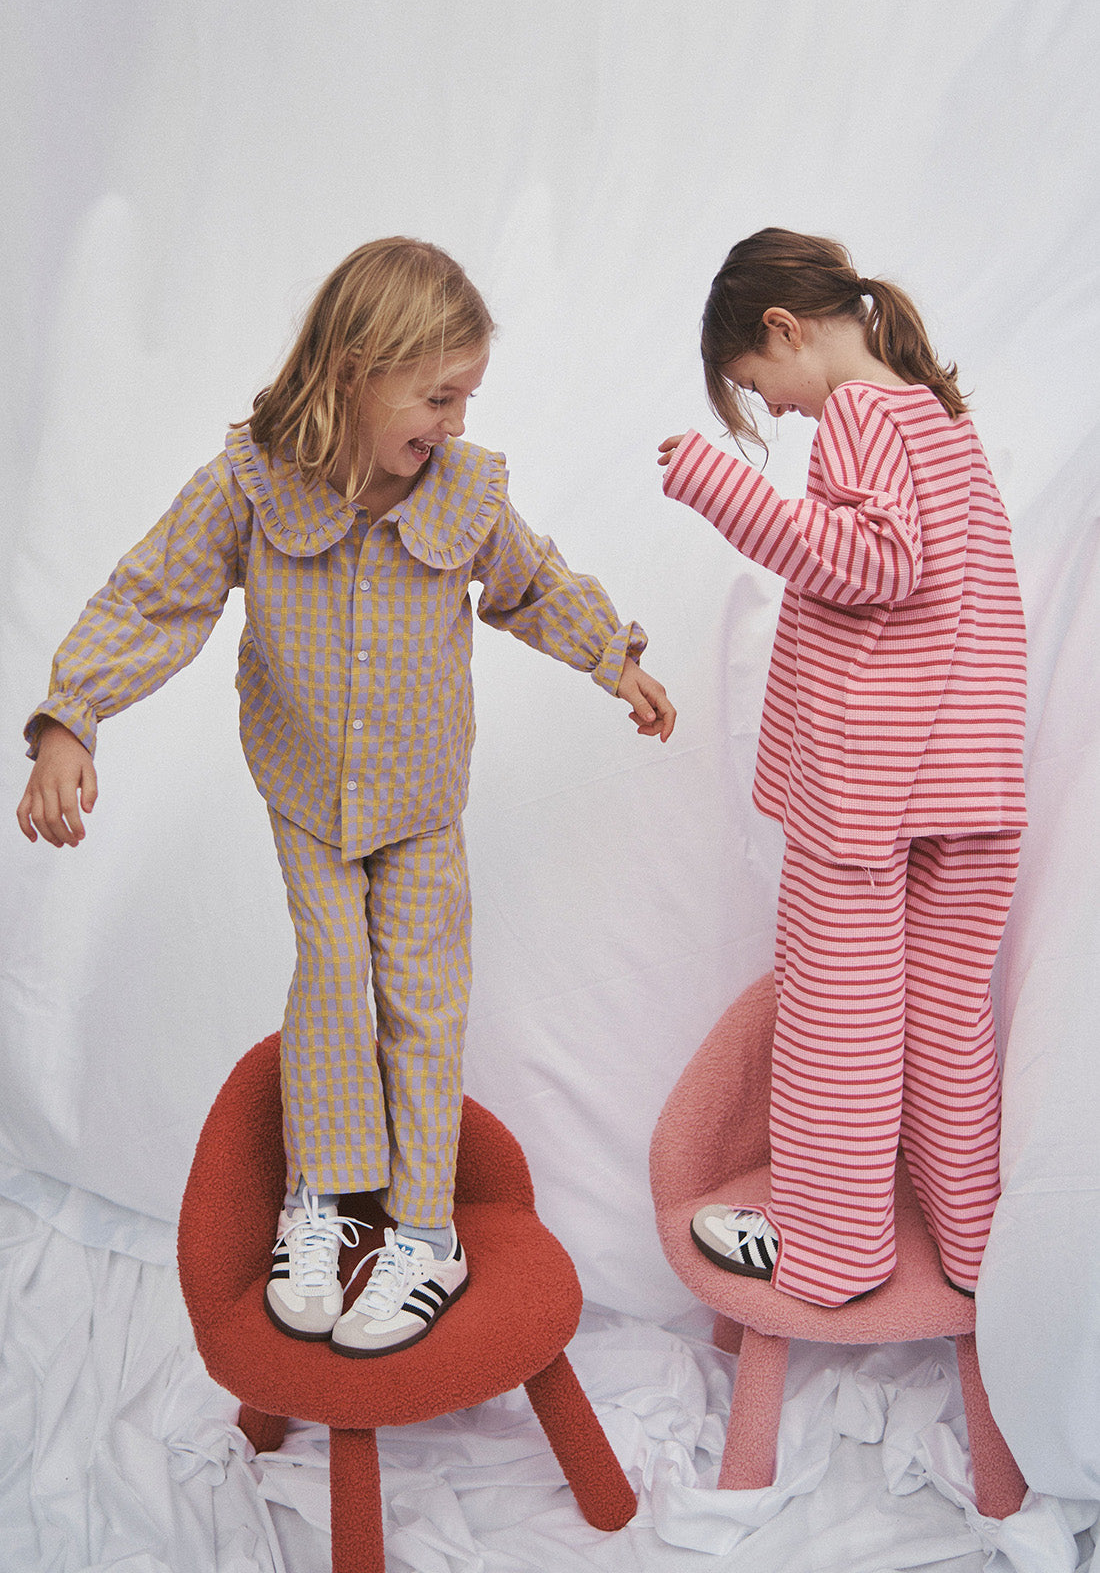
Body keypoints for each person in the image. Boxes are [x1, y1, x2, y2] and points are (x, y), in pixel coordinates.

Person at [17, 236, 675, 1355]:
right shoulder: (250, 484)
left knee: (422, 997)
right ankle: (322, 1201)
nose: (455, 421)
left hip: (420, 800)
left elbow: (532, 584)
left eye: (467, 397)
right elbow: (155, 597)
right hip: (307, 792)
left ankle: (423, 1232)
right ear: (357, 369)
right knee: (332, 974)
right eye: (437, 395)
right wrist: (70, 718)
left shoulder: (465, 493)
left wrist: (612, 657)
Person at [659, 227, 1026, 1307]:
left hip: (867, 786)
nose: (770, 410)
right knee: (946, 1019)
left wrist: (718, 489)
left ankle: (829, 1251)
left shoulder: (860, 415)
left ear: (784, 328)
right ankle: (975, 1246)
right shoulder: (936, 419)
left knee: (837, 1016)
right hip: (964, 781)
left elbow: (872, 563)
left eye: (754, 383)